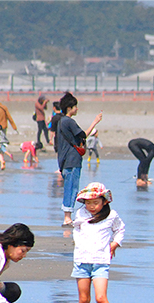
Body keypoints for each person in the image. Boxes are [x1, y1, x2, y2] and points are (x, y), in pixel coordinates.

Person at [72, 183, 125, 303]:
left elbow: (120, 229)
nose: (92, 206)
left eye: (95, 202)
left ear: (104, 201)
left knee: (101, 297)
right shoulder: (81, 214)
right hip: (82, 261)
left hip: (101, 262)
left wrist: (115, 244)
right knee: (83, 299)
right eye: (88, 202)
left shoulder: (112, 215)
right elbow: (77, 231)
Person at [57, 91, 103, 226]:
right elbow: (83, 135)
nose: (77, 109)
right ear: (69, 108)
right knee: (71, 188)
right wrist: (95, 122)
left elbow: (81, 137)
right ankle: (67, 217)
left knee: (70, 187)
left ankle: (69, 216)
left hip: (65, 160)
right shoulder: (69, 121)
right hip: (72, 160)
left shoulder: (61, 121)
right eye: (75, 106)